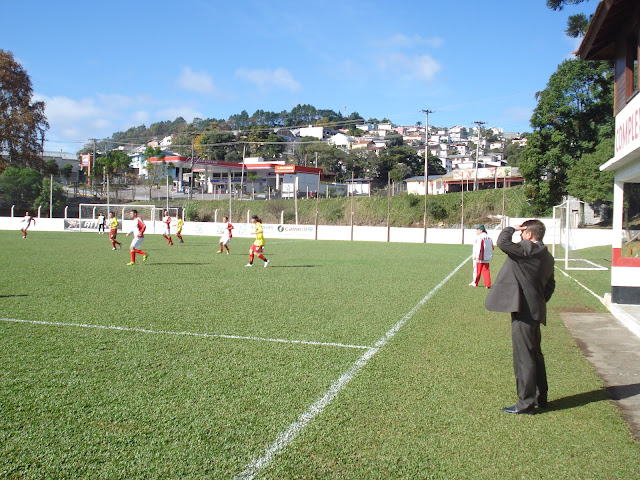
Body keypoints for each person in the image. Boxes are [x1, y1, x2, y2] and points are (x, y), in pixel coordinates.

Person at [485, 219, 555, 415]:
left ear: (529, 235)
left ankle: (525, 403)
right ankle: (542, 397)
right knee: (535, 355)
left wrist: (511, 229)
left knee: (524, 358)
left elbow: (503, 243)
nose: (522, 237)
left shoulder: (528, 248)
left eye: (524, 233)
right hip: (535, 310)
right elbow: (550, 286)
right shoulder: (547, 256)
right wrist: (537, 301)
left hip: (524, 312)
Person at [469, 224, 493, 288]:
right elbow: (492, 247)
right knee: (486, 270)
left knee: (477, 270)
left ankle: (475, 282)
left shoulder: (480, 237)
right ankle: (488, 284)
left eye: (477, 230)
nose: (476, 231)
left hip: (480, 256)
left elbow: (479, 247)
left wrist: (477, 256)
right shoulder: (489, 237)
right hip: (487, 256)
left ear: (481, 230)